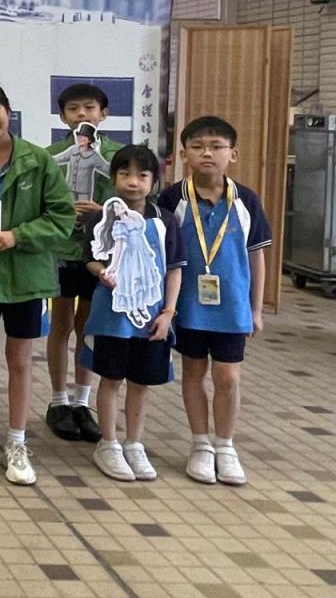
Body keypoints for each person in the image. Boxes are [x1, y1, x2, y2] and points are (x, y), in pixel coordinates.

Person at [0, 80, 74, 485]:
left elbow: (61, 218)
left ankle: (17, 443)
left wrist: (17, 236)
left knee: (20, 360)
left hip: (25, 277)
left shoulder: (38, 161)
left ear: (8, 109)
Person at [158, 116, 272, 486]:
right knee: (193, 372)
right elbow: (162, 255)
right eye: (197, 147)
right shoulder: (172, 199)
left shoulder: (246, 199)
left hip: (232, 308)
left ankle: (225, 445)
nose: (207, 153)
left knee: (228, 376)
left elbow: (256, 255)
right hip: (188, 305)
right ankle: (200, 445)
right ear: (183, 154)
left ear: (232, 154)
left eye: (217, 146)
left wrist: (256, 308)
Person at [81, 145, 185, 481]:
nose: (133, 182)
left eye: (142, 175)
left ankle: (134, 443)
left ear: (154, 181)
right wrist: (101, 272)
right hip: (112, 316)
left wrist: (168, 313)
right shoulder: (103, 217)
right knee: (110, 377)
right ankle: (108, 443)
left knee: (141, 381)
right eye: (124, 174)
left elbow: (174, 269)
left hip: (152, 317)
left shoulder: (165, 220)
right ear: (113, 178)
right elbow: (90, 259)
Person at [45, 84, 121, 444]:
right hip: (60, 250)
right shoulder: (50, 155)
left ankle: (82, 402)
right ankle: (58, 400)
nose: (81, 114)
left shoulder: (117, 156)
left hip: (99, 253)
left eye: (89, 108)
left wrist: (102, 210)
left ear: (103, 114)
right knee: (59, 324)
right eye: (73, 109)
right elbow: (42, 201)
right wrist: (64, 211)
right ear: (63, 117)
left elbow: (134, 200)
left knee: (87, 326)